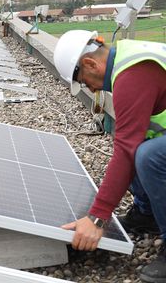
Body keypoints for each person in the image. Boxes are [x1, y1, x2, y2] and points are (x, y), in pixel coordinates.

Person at [53, 30, 166, 282]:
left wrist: (97, 217)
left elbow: (126, 150)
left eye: (84, 81)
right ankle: (147, 215)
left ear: (91, 63)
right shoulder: (128, 57)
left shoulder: (132, 74)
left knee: (149, 156)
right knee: (138, 144)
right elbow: (127, 142)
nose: (90, 87)